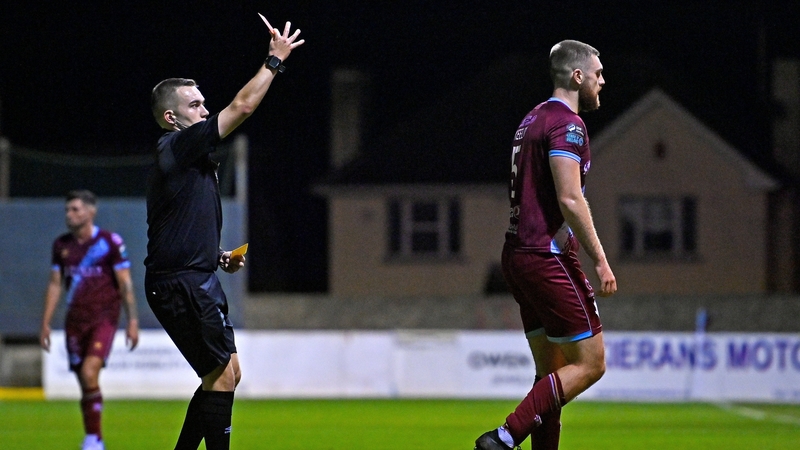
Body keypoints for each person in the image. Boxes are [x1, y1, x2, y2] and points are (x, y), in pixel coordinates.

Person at [144, 17, 304, 450]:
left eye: (203, 102)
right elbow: (242, 108)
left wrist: (215, 256)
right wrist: (275, 60)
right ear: (172, 117)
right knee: (220, 375)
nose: (204, 110)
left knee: (228, 372)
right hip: (182, 284)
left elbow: (176, 226)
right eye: (195, 105)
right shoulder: (175, 145)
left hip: (195, 276)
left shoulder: (189, 158)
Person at [475, 40, 617, 450]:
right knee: (591, 364)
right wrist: (602, 260)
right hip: (546, 257)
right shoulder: (569, 125)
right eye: (598, 74)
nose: (602, 81)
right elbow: (569, 198)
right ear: (578, 76)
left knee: (550, 370)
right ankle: (503, 438)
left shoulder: (530, 120)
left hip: (517, 254)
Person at [40, 189, 139, 450]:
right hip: (75, 322)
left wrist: (132, 321)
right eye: (67, 210)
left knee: (89, 371)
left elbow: (125, 283)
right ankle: (92, 435)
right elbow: (54, 285)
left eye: (75, 209)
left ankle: (94, 439)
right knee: (85, 381)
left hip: (103, 319)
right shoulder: (61, 246)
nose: (69, 214)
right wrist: (45, 323)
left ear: (91, 212)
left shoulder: (110, 242)